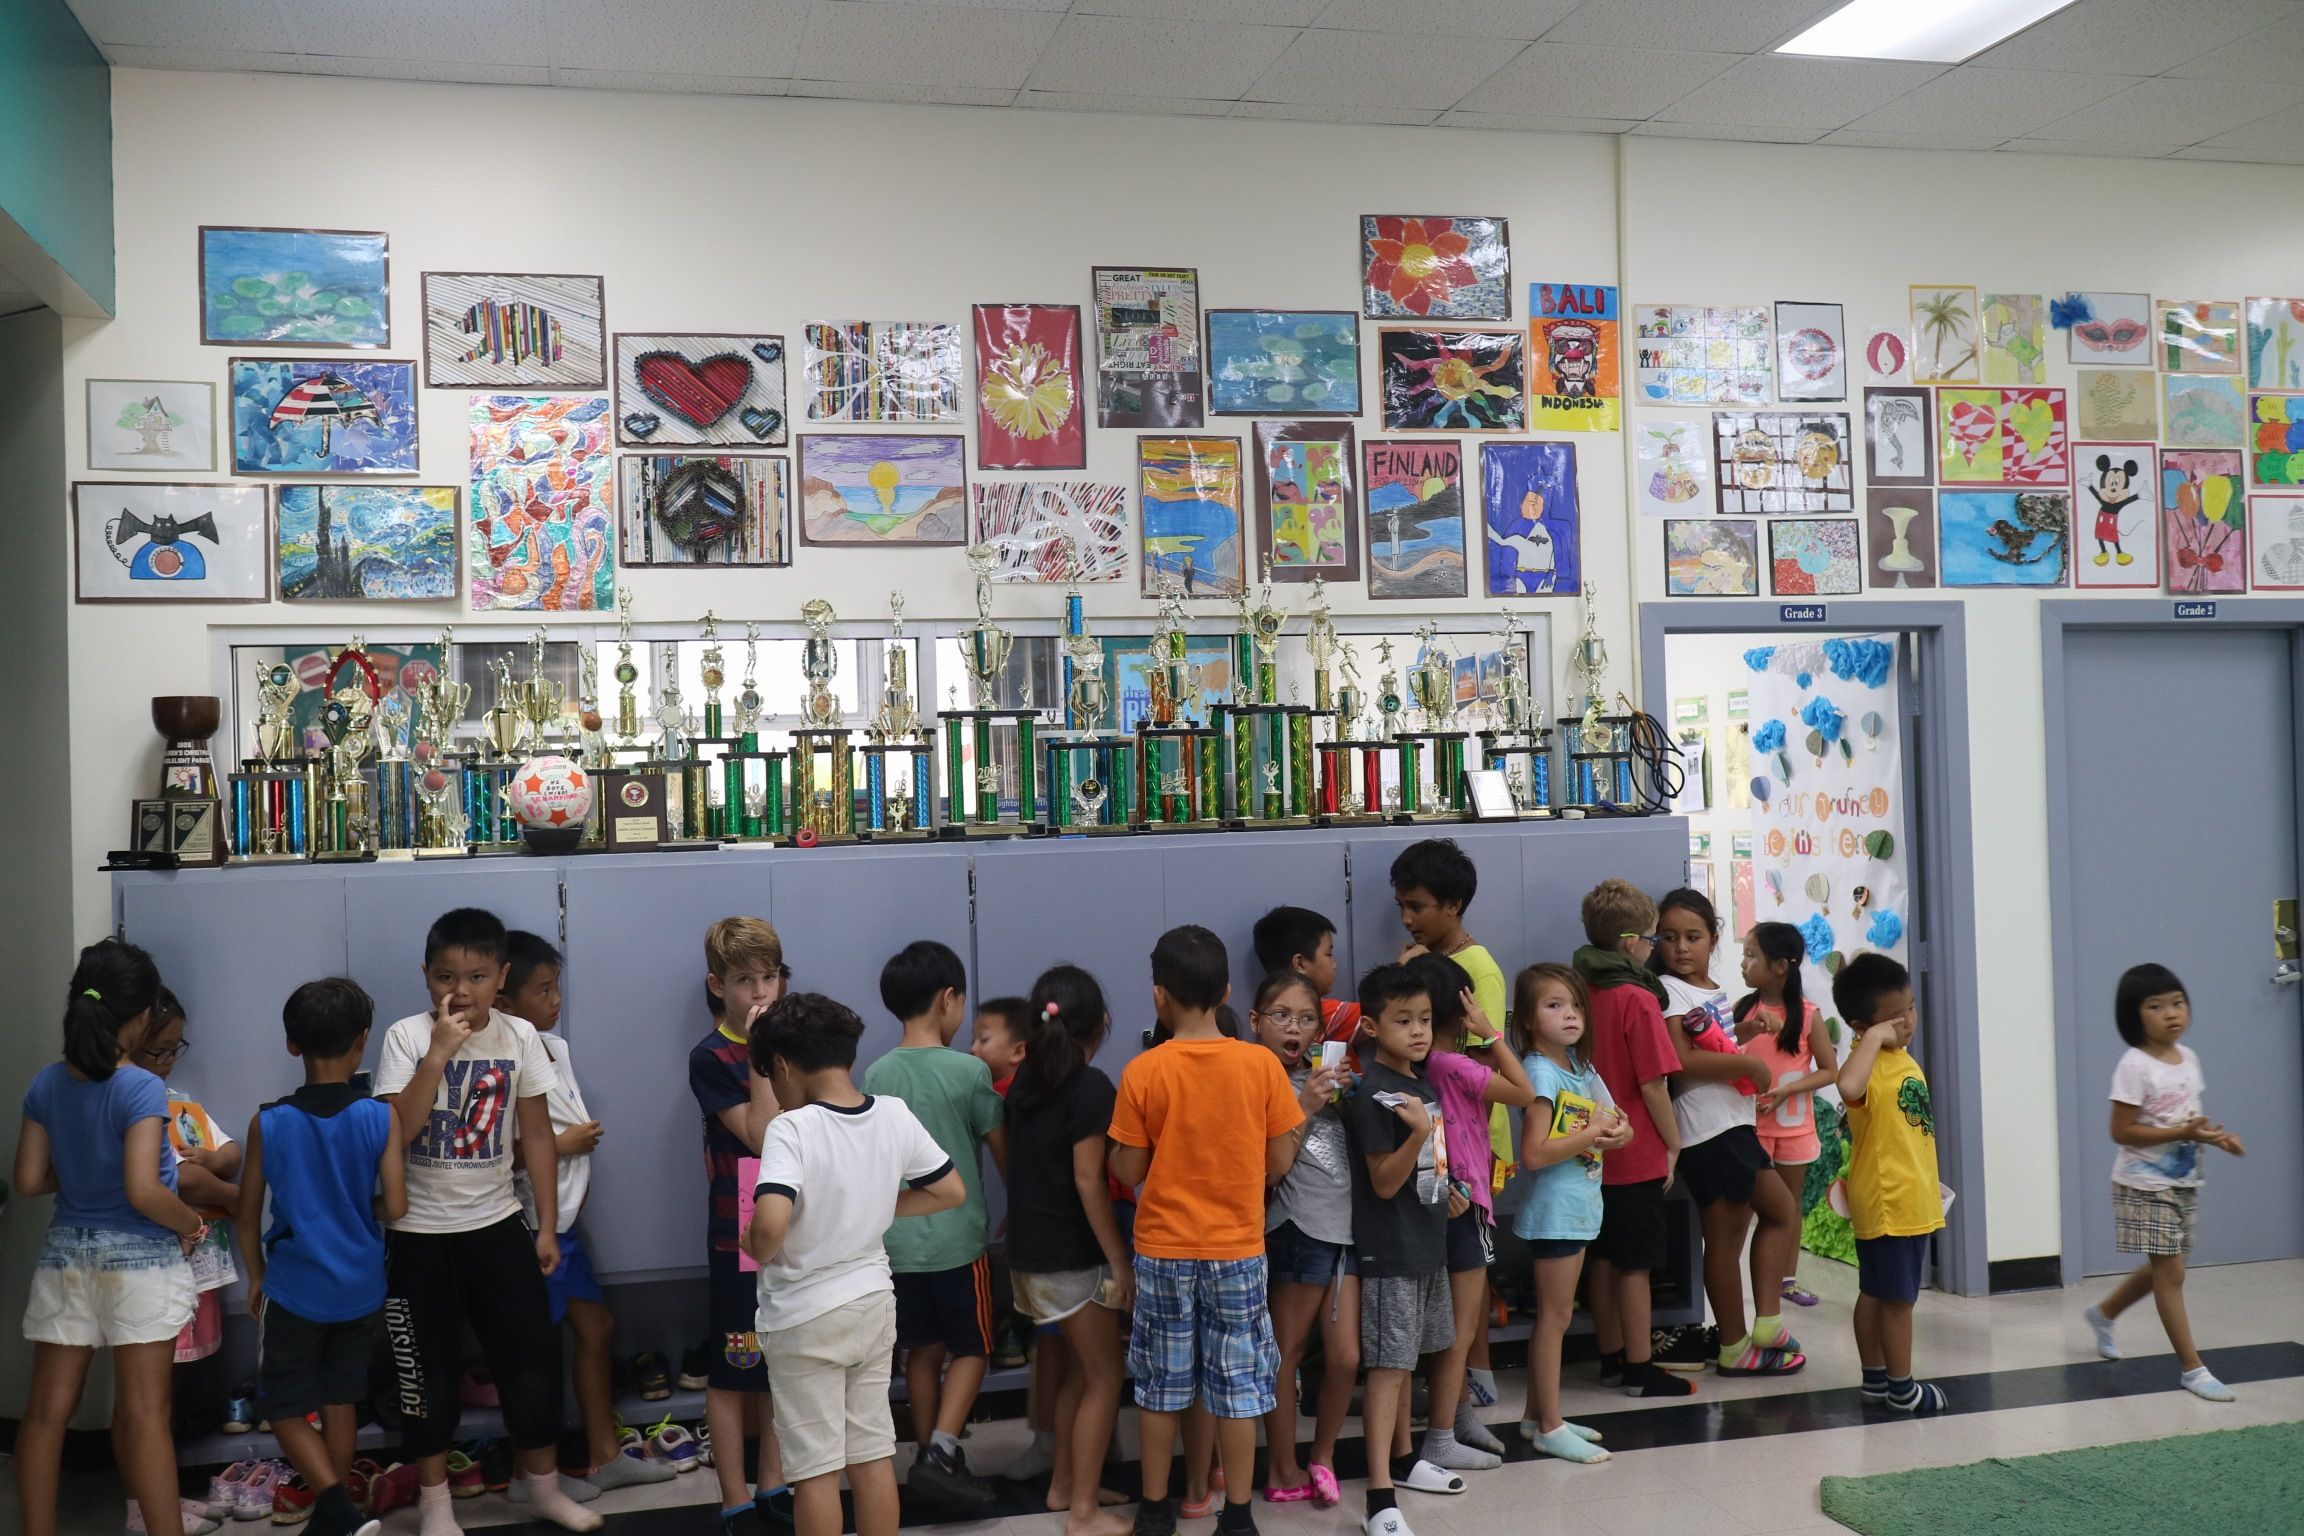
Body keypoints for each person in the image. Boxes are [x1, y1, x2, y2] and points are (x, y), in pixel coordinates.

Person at [373, 907, 600, 1536]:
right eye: (445, 977)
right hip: (419, 1236)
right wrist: (439, 1054)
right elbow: (395, 1133)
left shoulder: (519, 1036)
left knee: (530, 1359)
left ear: (501, 977)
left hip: (499, 1224)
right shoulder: (405, 1037)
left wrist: (546, 1226)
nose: (461, 991)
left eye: (476, 977)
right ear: (425, 975)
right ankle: (436, 1505)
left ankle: (543, 1489)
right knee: (427, 1371)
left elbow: (538, 1134)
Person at [744, 993, 968, 1536]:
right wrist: (876, 1204)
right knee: (871, 1455)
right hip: (872, 1304)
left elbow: (770, 1226)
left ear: (783, 1066)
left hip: (804, 1318)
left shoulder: (791, 1128)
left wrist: (754, 1243)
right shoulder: (892, 1113)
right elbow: (950, 1191)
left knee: (816, 1471)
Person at [1108, 925, 1304, 1536]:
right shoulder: (1261, 1065)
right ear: (1225, 992)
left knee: (1161, 1384)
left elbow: (1129, 1170)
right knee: (1237, 1385)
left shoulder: (1144, 1070)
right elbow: (1279, 1161)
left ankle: (1154, 1511)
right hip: (1237, 1249)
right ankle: (1238, 1516)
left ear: (1159, 995)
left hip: (1163, 1250)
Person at [16, 940, 206, 1536]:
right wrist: (191, 1223)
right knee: (146, 1415)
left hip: (65, 1255)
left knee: (45, 1415)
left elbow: (29, 1180)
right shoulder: (140, 1088)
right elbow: (144, 1190)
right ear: (144, 1014)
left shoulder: (46, 1083)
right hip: (139, 1263)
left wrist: (81, 1170)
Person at [500, 932, 673, 1493]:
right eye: (542, 991)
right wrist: (564, 1145)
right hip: (529, 1227)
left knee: (596, 1326)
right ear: (504, 999)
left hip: (564, 1225)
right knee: (535, 1350)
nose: (556, 1001)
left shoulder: (554, 1048)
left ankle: (605, 1453)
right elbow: (492, 1153)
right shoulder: (494, 1058)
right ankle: (532, 1474)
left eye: (557, 987)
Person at [234, 978, 404, 1536]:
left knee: (281, 1405)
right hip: (360, 1287)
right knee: (340, 1400)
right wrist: (354, 1204)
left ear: (292, 1044)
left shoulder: (269, 1123)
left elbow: (246, 1214)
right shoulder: (380, 1117)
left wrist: (255, 1276)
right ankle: (340, 1515)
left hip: (295, 1289)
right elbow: (396, 1205)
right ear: (362, 1042)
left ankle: (332, 1507)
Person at [859, 940, 1005, 1510]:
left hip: (896, 1243)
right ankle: (941, 1451)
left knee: (920, 1349)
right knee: (973, 1348)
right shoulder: (969, 1071)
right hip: (958, 1240)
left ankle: (928, 1454)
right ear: (948, 998)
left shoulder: (877, 1071)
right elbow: (1000, 1148)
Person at [1005, 965, 1136, 1536]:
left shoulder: (1026, 1083)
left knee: (1080, 1375)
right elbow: (1089, 1180)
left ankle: (1065, 1486)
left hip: (1030, 1255)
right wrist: (1119, 1260)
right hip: (1071, 1257)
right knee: (1104, 1377)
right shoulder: (1090, 1088)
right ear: (1101, 1023)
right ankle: (1083, 1512)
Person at [1651, 890, 1803, 1377]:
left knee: (1746, 1227)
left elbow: (1711, 1041)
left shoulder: (1707, 989)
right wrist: (1750, 1066)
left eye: (1693, 937)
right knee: (1750, 1225)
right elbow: (1682, 1061)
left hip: (1730, 1124)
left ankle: (1754, 1333)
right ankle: (1743, 1341)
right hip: (1709, 1128)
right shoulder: (1670, 989)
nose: (1681, 947)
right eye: (1669, 937)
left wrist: (1744, 1033)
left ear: (1714, 939)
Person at [2080, 963, 2245, 1401]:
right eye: (2155, 1006)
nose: (2171, 1013)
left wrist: (2217, 1138)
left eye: (2177, 1003)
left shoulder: (2189, 1058)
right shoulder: (2134, 1066)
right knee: (2171, 1272)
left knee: (2168, 1267)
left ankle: (2104, 1313)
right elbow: (2121, 1131)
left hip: (2184, 1180)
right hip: (2142, 1184)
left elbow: (2189, 1119)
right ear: (2133, 1016)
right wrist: (2181, 1133)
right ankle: (2193, 1369)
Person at [1388, 841, 1512, 1415]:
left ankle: (1474, 1378)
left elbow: (1482, 1063)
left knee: (1470, 1269)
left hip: (1471, 1149)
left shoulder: (1477, 967)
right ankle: (1456, 1385)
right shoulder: (1426, 961)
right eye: (1402, 906)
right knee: (1456, 1271)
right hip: (1441, 1147)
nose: (1407, 918)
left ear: (1454, 905)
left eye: (1417, 906)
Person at [1402, 953, 1533, 1471]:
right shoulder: (1453, 1064)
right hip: (1468, 1201)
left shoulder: (1418, 1067)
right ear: (1461, 1009)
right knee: (1459, 1329)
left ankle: (1457, 1418)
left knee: (1446, 1327)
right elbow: (1524, 1091)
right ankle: (1441, 1437)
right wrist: (1492, 1036)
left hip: (1440, 1198)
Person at [1346, 963, 1463, 1536]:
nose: (1418, 1031)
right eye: (1403, 1021)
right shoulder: (1373, 1093)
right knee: (1389, 1369)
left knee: (1410, 1359)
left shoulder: (1419, 1085)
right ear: (1372, 1027)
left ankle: (1403, 1459)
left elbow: (1425, 1169)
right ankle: (1378, 1496)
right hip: (1390, 1251)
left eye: (1424, 1019)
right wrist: (1417, 1133)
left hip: (1425, 1242)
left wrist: (1447, 1188)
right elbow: (1384, 1183)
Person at [689, 918, 791, 1531]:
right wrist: (759, 1054)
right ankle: (734, 1496)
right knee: (735, 1365)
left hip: (791, 1221)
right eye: (745, 981)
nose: (760, 993)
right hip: (739, 1225)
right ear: (718, 986)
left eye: (769, 978)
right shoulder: (711, 1057)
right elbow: (761, 1134)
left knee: (781, 1359)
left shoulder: (794, 1042)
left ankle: (774, 1483)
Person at [1570, 881, 1691, 1398]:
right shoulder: (1637, 999)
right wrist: (1674, 1143)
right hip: (1635, 1151)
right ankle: (1641, 1369)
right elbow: (1653, 1084)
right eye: (1651, 939)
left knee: (1601, 1258)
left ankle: (1612, 1359)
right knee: (1635, 1265)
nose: (1654, 948)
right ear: (1629, 943)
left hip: (1587, 1149)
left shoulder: (1576, 991)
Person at [1510, 962, 1629, 1464]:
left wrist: (1617, 1132)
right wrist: (1594, 1133)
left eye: (1576, 1004)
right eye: (1554, 1005)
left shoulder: (1579, 1066)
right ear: (1528, 1019)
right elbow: (1534, 1153)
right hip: (1556, 1212)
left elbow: (1617, 1120)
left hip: (1579, 1208)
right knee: (1554, 1320)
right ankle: (1550, 1427)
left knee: (1557, 1317)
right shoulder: (1540, 1071)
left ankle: (1535, 1416)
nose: (1570, 1014)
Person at [1246, 971, 1353, 1508]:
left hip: (1345, 1231)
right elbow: (1269, 1167)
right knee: (1285, 1354)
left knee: (1347, 1358)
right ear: (1256, 1022)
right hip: (1296, 1227)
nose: (1294, 1027)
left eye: (1307, 1019)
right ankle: (1281, 1466)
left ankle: (1323, 1456)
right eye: (1282, 1016)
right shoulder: (1259, 1078)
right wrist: (1308, 1106)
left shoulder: (1320, 1077)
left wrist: (1346, 1095)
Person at [1833, 952, 1946, 1414]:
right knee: (1897, 1299)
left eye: (1911, 1008)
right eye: (1895, 1017)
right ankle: (1902, 1389)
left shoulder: (1901, 1060)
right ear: (1863, 1026)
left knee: (1878, 1291)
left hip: (1910, 1195)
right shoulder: (1869, 1063)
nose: (1908, 1021)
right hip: (1889, 1201)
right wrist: (1874, 1039)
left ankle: (1876, 1381)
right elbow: (1847, 1087)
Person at [1734, 922, 1837, 1309]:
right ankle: (1730, 1275)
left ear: (1779, 966)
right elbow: (1724, 1052)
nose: (1743, 963)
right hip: (1750, 1128)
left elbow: (1830, 1070)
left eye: (1751, 955)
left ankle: (1786, 1280)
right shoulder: (1743, 1010)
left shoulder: (1808, 1014)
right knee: (1744, 1207)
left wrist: (1788, 1092)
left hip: (1794, 1129)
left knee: (1787, 1207)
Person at [1250, 904, 1358, 1046]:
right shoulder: (1324, 1012)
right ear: (1300, 963)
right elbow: (1382, 1011)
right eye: (1329, 954)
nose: (1334, 964)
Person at [968, 995, 1032, 1095]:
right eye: (973, 1041)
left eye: (984, 1040)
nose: (972, 1049)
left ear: (1017, 1052)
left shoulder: (1006, 1096)